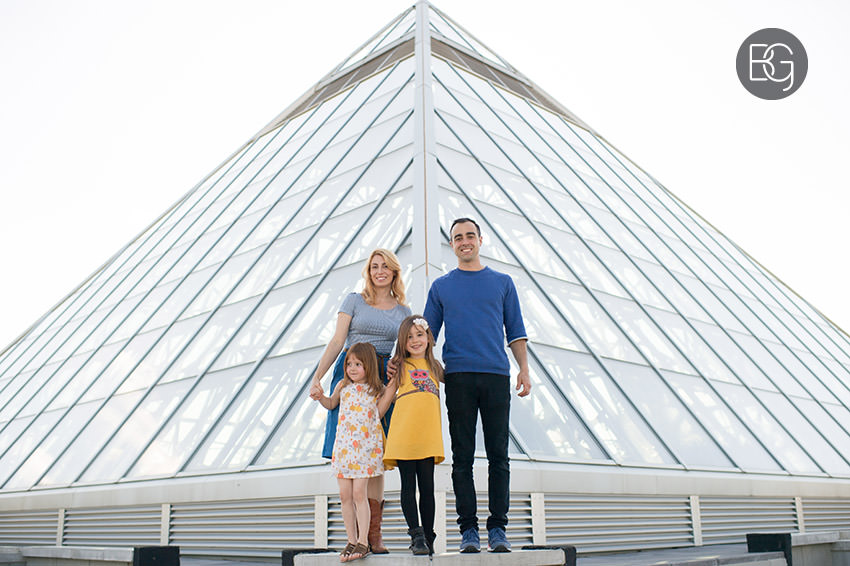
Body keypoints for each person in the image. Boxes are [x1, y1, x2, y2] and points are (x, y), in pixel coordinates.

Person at [423, 217, 531, 553]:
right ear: (452, 245)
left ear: (480, 240)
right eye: (458, 237)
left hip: (496, 376)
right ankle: (468, 531)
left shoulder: (503, 282)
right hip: (459, 379)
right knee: (462, 458)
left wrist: (524, 370)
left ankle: (498, 529)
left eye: (470, 235)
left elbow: (515, 331)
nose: (465, 241)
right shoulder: (441, 287)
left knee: (500, 457)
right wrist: (436, 369)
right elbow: (425, 336)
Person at [308, 248, 411, 553]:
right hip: (352, 372)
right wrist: (317, 376)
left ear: (394, 272)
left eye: (385, 266)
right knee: (348, 447)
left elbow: (403, 351)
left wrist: (395, 367)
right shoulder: (354, 300)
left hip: (380, 379)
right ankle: (354, 537)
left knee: (374, 454)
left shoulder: (403, 311)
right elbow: (338, 341)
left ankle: (372, 536)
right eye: (374, 266)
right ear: (368, 271)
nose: (380, 271)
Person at [315, 342, 397, 562]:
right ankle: (351, 540)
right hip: (344, 448)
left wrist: (396, 381)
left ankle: (363, 540)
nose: (352, 368)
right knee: (345, 495)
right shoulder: (342, 386)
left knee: (360, 494)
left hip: (365, 449)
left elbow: (387, 405)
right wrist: (320, 397)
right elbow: (331, 404)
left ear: (368, 365)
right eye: (349, 364)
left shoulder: (376, 389)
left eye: (358, 364)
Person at [383, 315, 445, 555]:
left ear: (428, 337)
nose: (415, 340)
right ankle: (416, 535)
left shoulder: (436, 367)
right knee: (408, 486)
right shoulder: (399, 367)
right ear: (402, 342)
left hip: (428, 436)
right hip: (404, 435)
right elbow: (386, 398)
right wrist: (367, 419)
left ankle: (429, 536)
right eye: (409, 337)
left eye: (420, 334)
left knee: (427, 487)